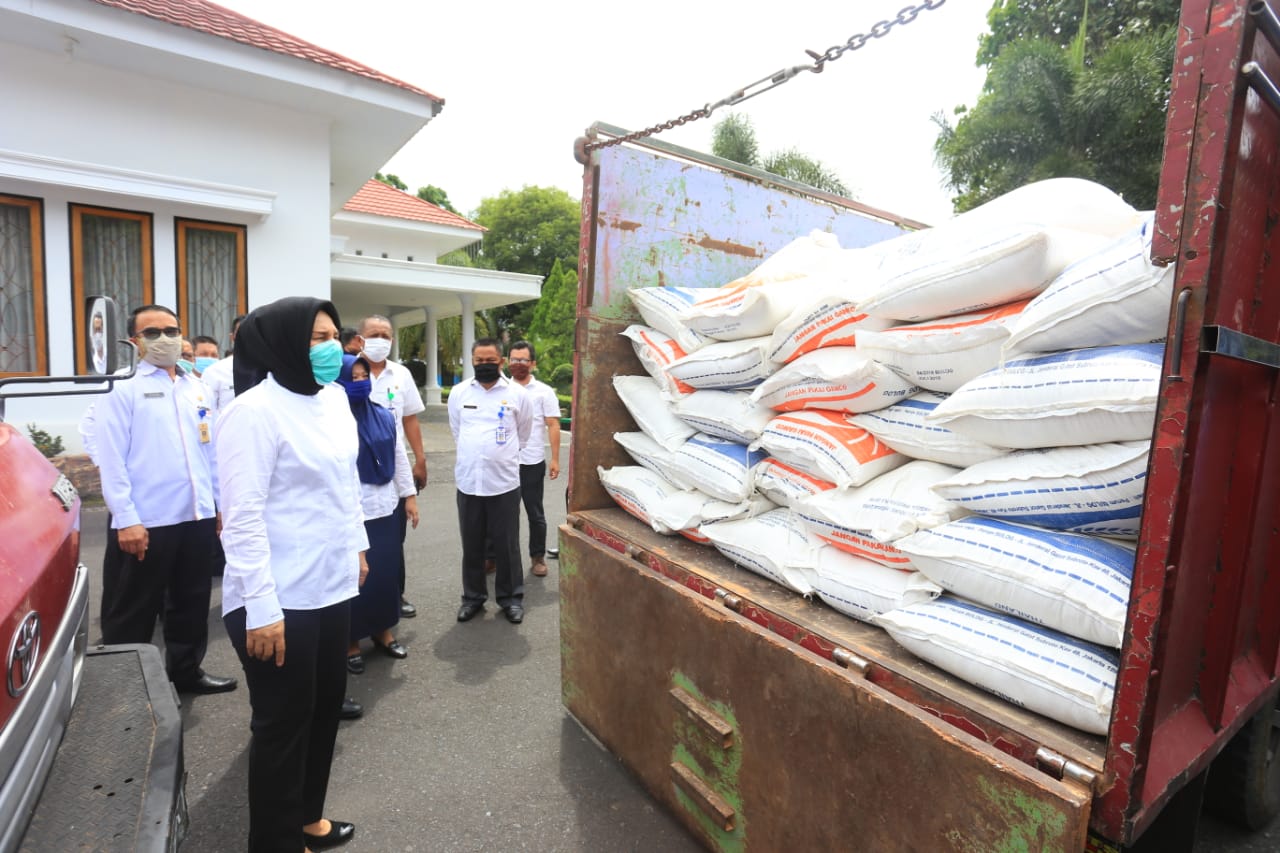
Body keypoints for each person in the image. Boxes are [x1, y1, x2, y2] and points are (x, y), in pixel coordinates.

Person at [217, 296, 366, 851]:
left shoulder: (331, 400)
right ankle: (275, 841)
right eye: (314, 338)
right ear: (280, 343)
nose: (329, 348)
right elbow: (243, 517)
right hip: (277, 599)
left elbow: (343, 484)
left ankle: (308, 818)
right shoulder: (252, 412)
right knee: (282, 724)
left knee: (324, 708)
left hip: (330, 587)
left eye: (332, 336)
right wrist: (261, 607)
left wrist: (357, 544)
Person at [96, 304, 236, 695]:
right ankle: (128, 689)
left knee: (190, 603)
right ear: (134, 342)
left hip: (195, 517)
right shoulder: (122, 389)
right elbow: (112, 462)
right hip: (146, 521)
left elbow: (209, 452)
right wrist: (126, 519)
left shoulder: (196, 387)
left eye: (171, 331)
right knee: (134, 609)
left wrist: (218, 505)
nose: (165, 340)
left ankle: (186, 673)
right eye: (152, 333)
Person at [337, 355, 418, 675]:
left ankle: (384, 632)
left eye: (363, 376)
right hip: (351, 511)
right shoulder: (333, 419)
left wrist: (409, 496)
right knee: (357, 579)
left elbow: (399, 456)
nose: (359, 382)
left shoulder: (383, 415)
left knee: (385, 574)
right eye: (352, 377)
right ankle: (351, 642)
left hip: (385, 507)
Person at [449, 338, 533, 624]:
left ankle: (511, 598)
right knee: (471, 544)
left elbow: (522, 434)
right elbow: (457, 431)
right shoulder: (459, 393)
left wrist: (499, 456)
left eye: (490, 361)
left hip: (504, 484)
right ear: (472, 361)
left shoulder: (517, 394)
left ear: (501, 361)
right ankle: (472, 598)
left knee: (507, 544)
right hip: (469, 483)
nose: (485, 365)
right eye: (479, 361)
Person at [351, 315, 427, 619]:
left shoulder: (401, 374)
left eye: (386, 335)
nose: (381, 339)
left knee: (392, 541)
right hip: (357, 473)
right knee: (358, 544)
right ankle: (355, 609)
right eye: (374, 334)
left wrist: (420, 459)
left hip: (393, 469)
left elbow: (408, 419)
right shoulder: (349, 372)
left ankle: (395, 595)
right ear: (360, 339)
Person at [505, 341, 561, 577]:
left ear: (533, 363)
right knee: (501, 514)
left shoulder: (544, 392)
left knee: (534, 512)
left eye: (523, 360)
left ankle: (537, 556)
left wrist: (555, 459)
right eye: (514, 360)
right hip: (504, 463)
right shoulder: (500, 388)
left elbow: (553, 424)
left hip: (531, 462)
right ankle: (495, 557)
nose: (518, 364)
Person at [201, 313, 245, 417]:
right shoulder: (215, 371)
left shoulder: (270, 369)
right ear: (232, 337)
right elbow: (206, 410)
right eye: (242, 332)